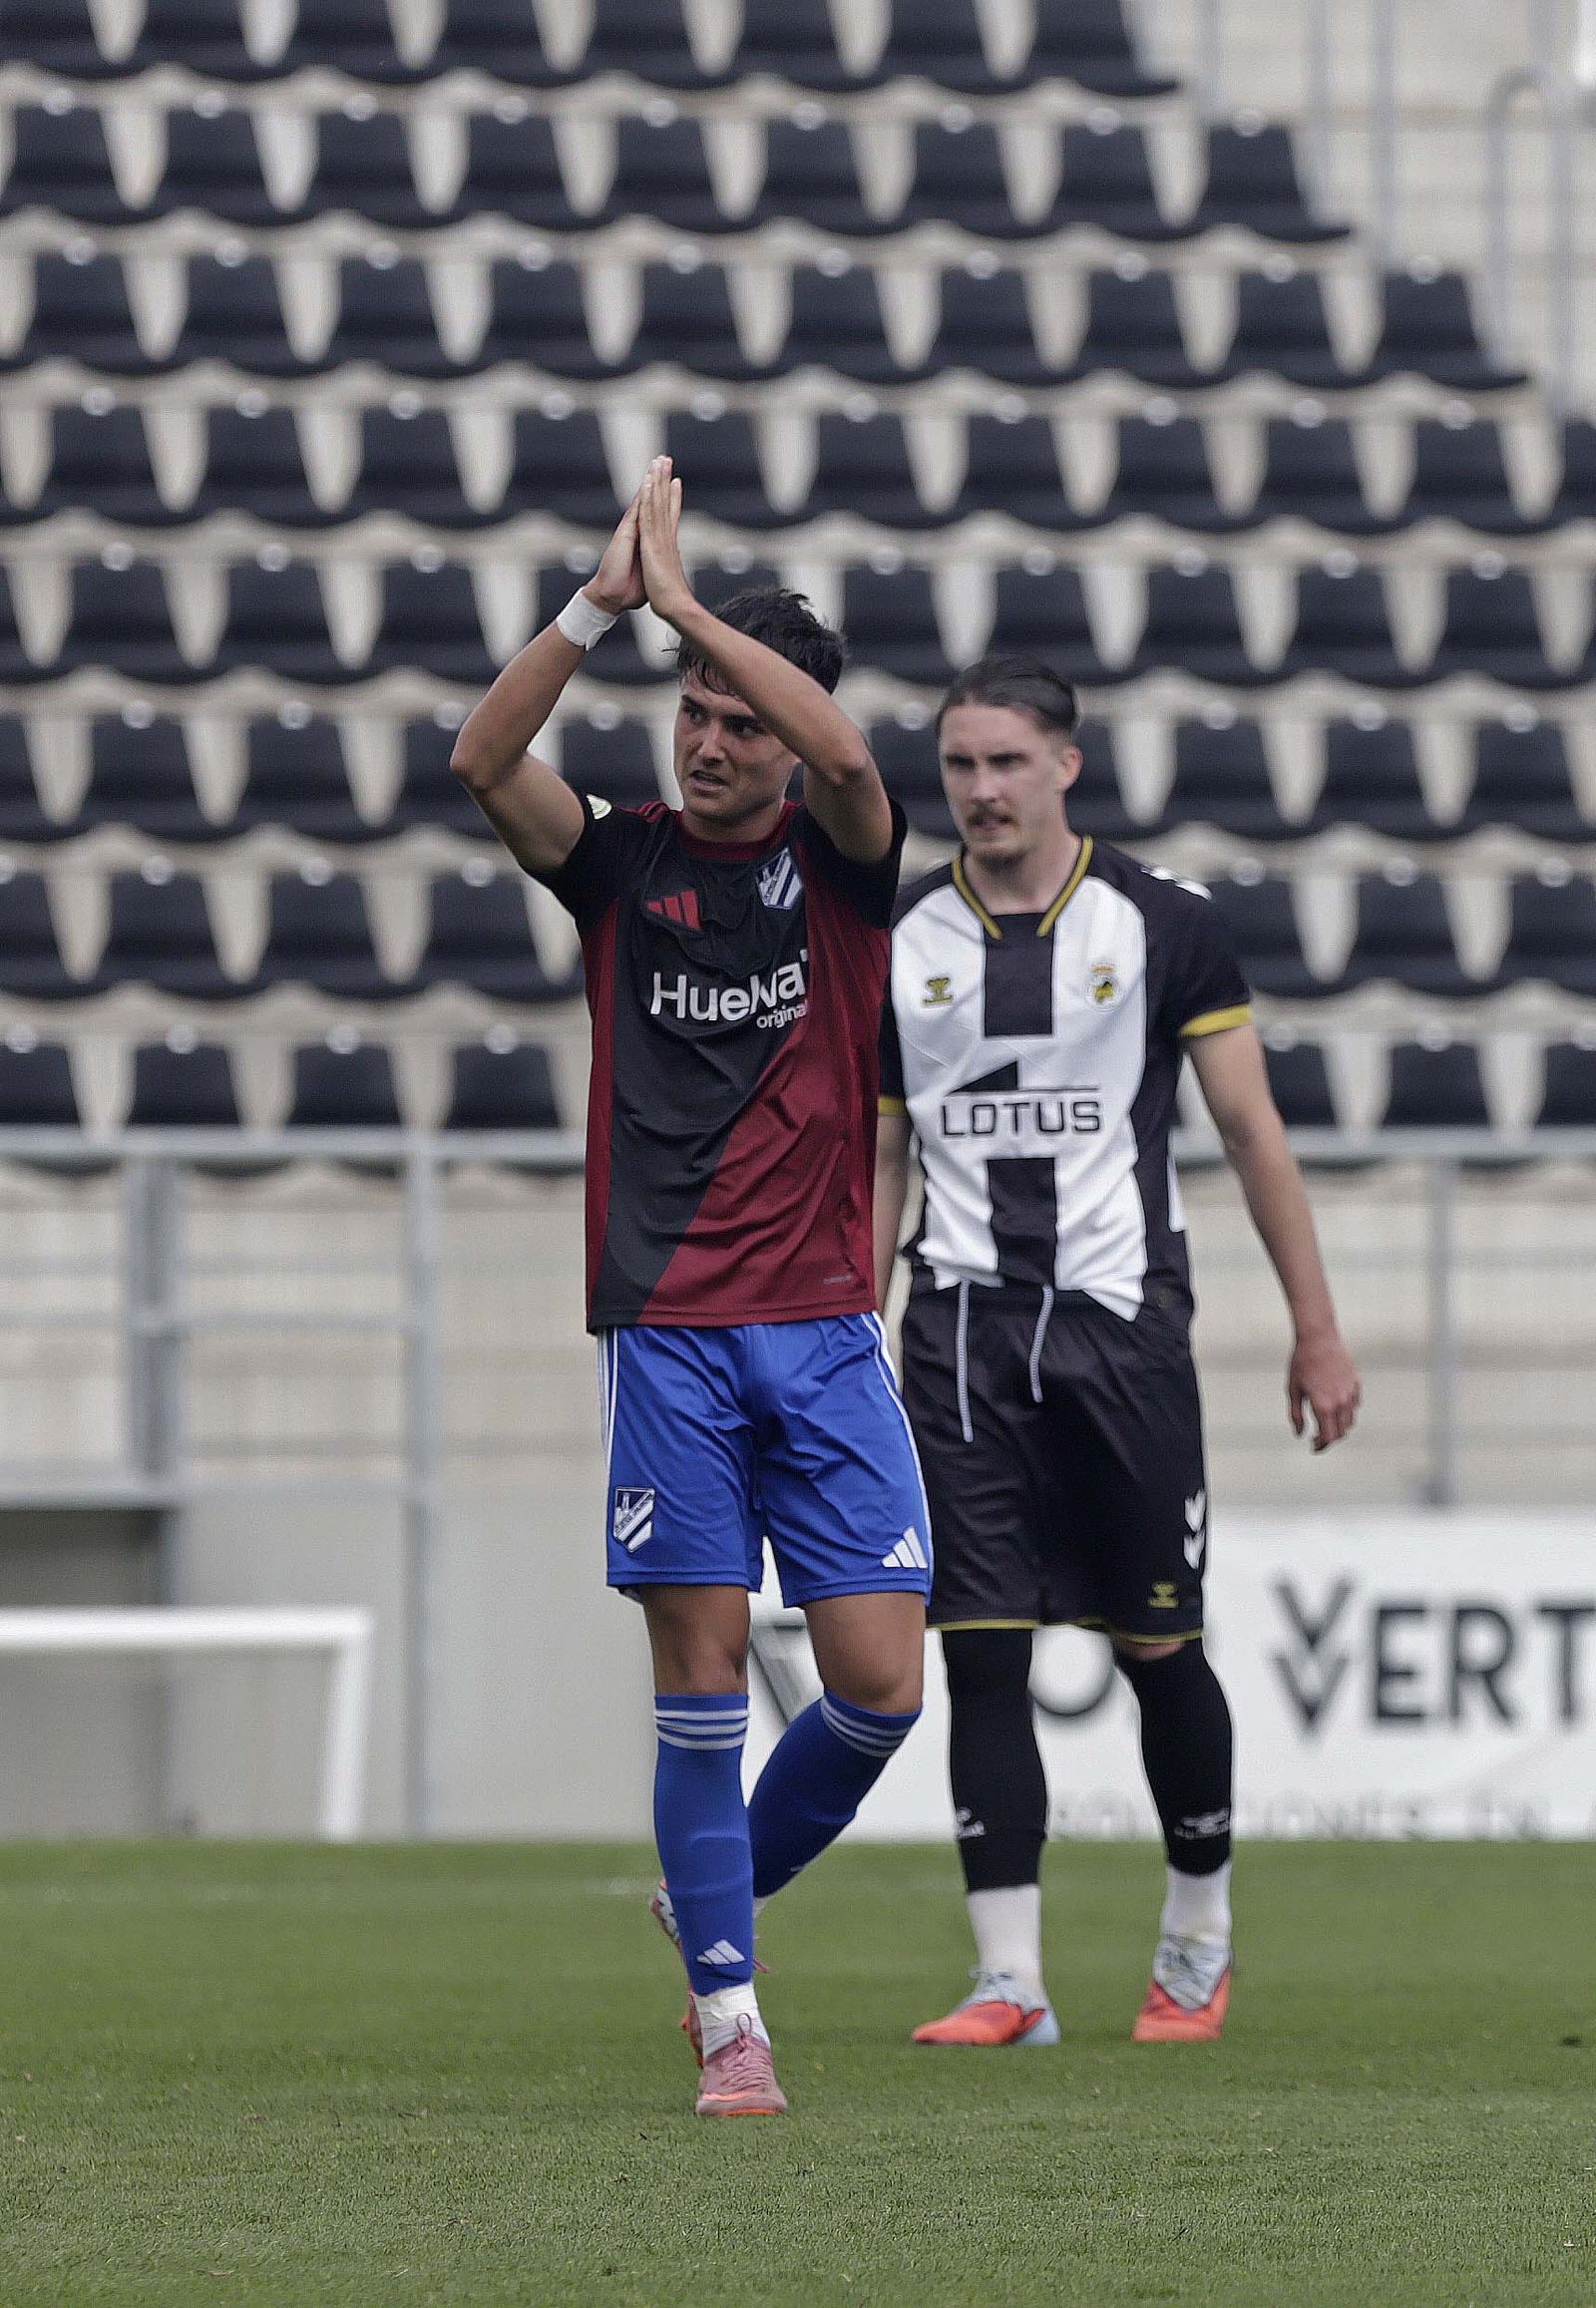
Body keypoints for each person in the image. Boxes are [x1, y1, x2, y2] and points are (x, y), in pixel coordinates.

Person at [451, 459, 931, 2117]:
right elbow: (481, 761)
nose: (707, 739)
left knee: (882, 1685)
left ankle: (709, 1888)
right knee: (703, 1676)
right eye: (693, 710)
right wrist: (603, 607)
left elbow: (855, 761)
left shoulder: (846, 864)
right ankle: (732, 2015)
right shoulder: (618, 862)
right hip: (667, 1331)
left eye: (738, 718)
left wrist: (690, 606)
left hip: (825, 1326)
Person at [873, 655, 1361, 2048]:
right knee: (981, 1654)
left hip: (1121, 1327)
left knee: (1157, 1642)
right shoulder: (904, 940)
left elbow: (1252, 1130)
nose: (981, 790)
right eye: (960, 765)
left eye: (1006, 762)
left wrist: (1317, 1327)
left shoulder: (1164, 924)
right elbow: (883, 1151)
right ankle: (1009, 1982)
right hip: (959, 1331)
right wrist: (852, 1329)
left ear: (1066, 766)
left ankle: (1197, 1940)